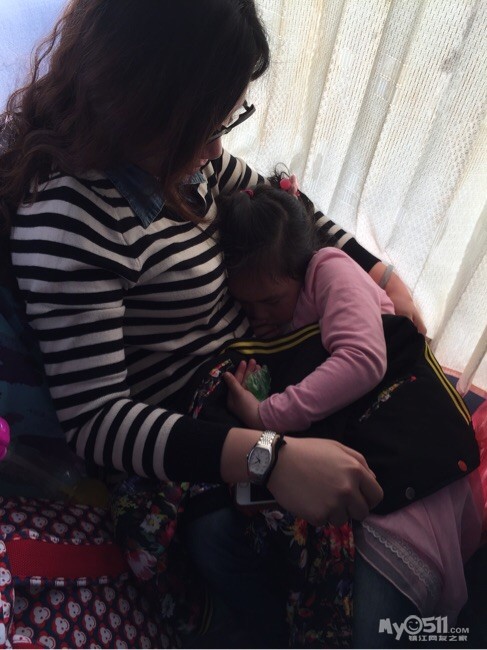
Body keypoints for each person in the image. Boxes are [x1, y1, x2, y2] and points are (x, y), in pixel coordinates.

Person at [0, 0, 430, 646]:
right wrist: (268, 458)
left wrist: (384, 278)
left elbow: (293, 213)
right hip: (196, 441)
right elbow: (98, 421)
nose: (218, 146)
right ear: (138, 100)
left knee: (417, 456)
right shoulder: (71, 221)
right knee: (283, 557)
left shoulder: (190, 165)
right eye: (204, 123)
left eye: (226, 118)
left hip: (269, 379)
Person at [183, 180, 483, 647]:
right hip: (356, 459)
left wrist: (266, 414)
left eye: (270, 301)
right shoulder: (281, 317)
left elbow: (364, 360)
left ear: (301, 268)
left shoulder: (329, 268)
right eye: (247, 306)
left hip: (406, 450)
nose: (260, 316)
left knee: (378, 620)